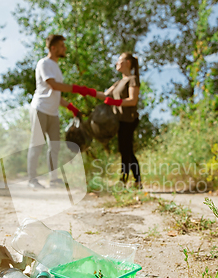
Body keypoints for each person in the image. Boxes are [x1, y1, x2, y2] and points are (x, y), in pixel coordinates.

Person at [28, 34, 98, 189]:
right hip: (40, 108)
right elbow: (53, 85)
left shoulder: (56, 67)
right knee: (37, 144)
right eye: (62, 45)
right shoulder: (44, 63)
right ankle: (32, 180)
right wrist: (78, 89)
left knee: (55, 146)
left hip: (53, 112)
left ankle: (53, 180)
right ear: (53, 48)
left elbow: (56, 94)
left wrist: (71, 107)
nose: (64, 48)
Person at [95, 53, 142, 189]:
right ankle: (135, 181)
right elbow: (105, 95)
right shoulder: (118, 83)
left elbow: (133, 100)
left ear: (127, 63)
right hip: (120, 121)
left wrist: (115, 102)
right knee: (125, 150)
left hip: (129, 120)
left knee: (126, 150)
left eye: (120, 60)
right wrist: (87, 91)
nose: (117, 63)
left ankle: (125, 180)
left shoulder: (132, 79)